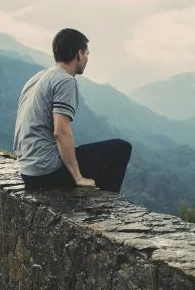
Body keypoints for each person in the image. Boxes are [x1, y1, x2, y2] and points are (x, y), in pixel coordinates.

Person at [13, 28, 132, 192]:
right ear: (78, 54)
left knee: (97, 171)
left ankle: (100, 202)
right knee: (122, 148)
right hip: (46, 171)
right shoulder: (65, 80)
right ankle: (109, 209)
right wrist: (78, 177)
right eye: (87, 54)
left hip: (28, 170)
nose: (87, 59)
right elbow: (61, 131)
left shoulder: (37, 78)